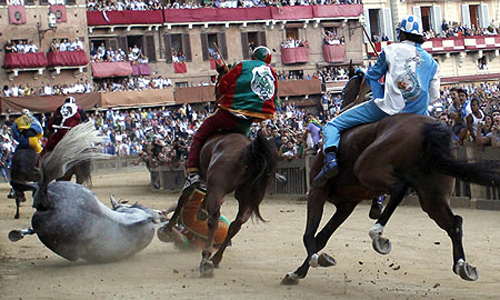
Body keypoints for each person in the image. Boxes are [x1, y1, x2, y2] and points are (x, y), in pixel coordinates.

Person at [313, 15, 441, 188]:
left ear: (401, 34)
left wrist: (361, 98)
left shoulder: (391, 49)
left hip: (387, 109)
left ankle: (330, 161)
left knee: (332, 125)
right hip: (418, 115)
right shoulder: (432, 62)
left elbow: (371, 77)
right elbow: (434, 96)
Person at [183, 46, 279, 190]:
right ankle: (263, 171)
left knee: (200, 134)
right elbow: (274, 97)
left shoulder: (243, 65)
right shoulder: (272, 73)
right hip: (247, 122)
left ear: (253, 57)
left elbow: (222, 87)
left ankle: (193, 172)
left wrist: (227, 84)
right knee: (247, 144)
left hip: (228, 114)